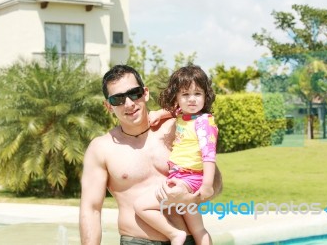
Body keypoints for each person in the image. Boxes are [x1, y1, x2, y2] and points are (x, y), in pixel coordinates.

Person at [79, 64, 222, 245]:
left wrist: (191, 197)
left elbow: (214, 181)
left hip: (187, 240)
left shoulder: (176, 127)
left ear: (145, 93)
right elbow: (91, 210)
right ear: (108, 105)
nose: (129, 104)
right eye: (118, 99)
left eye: (134, 93)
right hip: (137, 241)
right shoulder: (101, 148)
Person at [134, 65, 218, 245]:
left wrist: (208, 185)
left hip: (189, 179)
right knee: (198, 229)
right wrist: (158, 114)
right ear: (177, 97)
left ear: (206, 95)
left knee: (140, 206)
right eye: (185, 95)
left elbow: (209, 155)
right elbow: (173, 110)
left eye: (198, 94)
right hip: (182, 177)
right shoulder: (185, 114)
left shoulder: (204, 123)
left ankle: (174, 234)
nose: (192, 100)